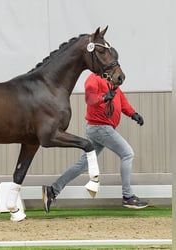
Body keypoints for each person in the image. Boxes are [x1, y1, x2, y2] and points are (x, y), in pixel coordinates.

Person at [42, 72, 148, 212]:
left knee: (84, 164)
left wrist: (133, 114)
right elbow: (90, 99)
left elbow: (122, 102)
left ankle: (52, 191)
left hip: (100, 128)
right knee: (127, 154)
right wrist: (104, 97)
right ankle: (128, 196)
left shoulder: (112, 82)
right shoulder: (94, 79)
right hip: (100, 127)